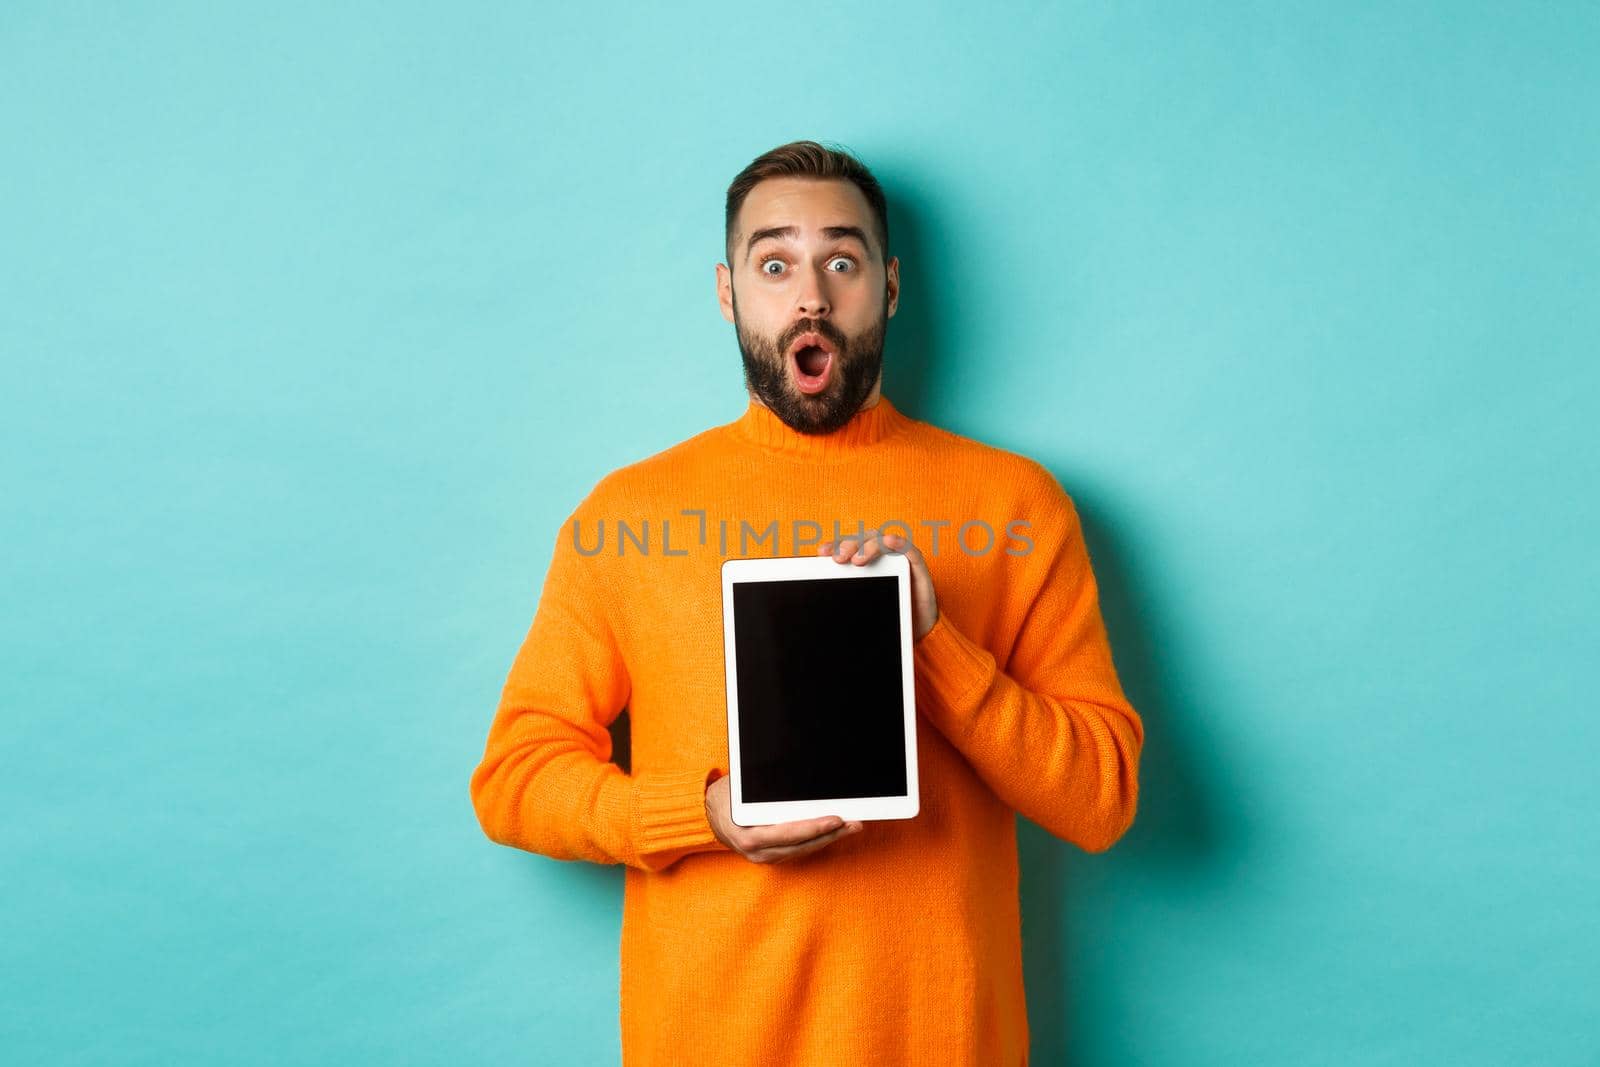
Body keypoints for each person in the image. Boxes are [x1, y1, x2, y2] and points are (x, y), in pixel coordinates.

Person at [469, 139, 1144, 1066]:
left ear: (891, 285)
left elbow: (1100, 799)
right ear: (727, 292)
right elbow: (514, 779)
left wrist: (936, 643)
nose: (811, 295)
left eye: (843, 259)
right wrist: (705, 814)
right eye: (775, 262)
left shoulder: (1015, 508)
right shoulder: (627, 516)